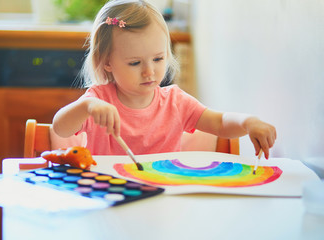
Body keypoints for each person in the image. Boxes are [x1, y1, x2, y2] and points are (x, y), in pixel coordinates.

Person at [52, 0, 276, 159]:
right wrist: (85, 106)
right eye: (135, 63)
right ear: (107, 62)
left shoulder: (176, 102)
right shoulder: (98, 101)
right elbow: (60, 128)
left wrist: (248, 122)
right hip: (109, 196)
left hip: (163, 199)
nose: (149, 72)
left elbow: (219, 123)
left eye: (158, 59)